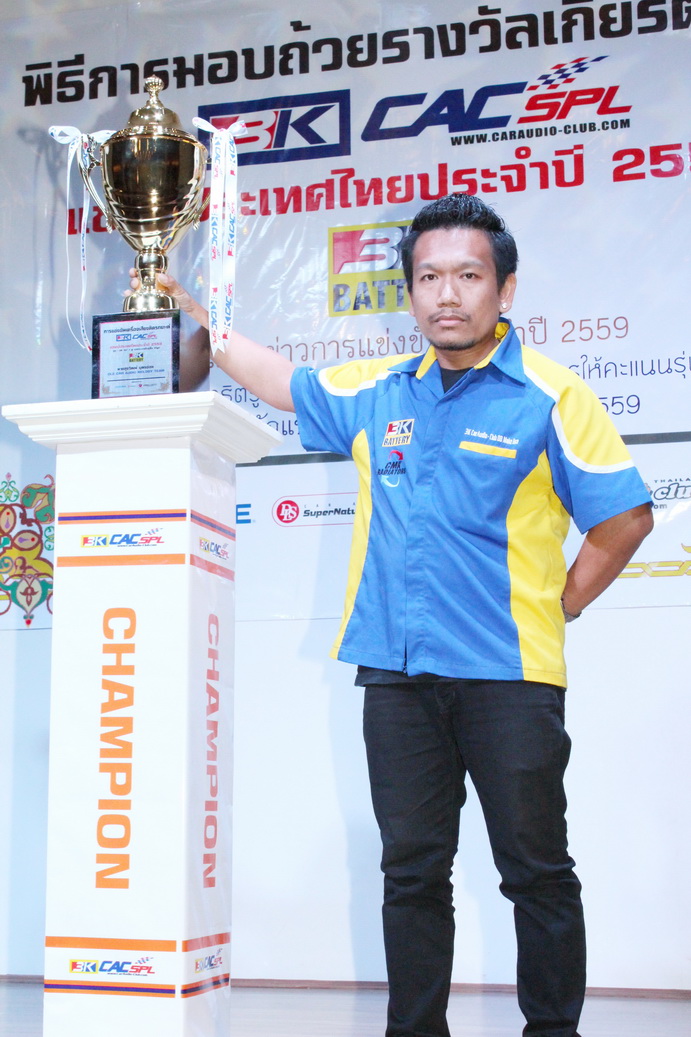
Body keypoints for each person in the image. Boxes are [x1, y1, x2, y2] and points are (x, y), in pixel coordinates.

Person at [137, 194, 653, 1037]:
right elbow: (282, 381)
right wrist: (205, 320)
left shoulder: (551, 395)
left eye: (468, 276)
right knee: (411, 872)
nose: (447, 294)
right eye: (428, 277)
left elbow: (623, 516)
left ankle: (552, 1031)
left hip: (508, 675)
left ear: (504, 289)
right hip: (397, 677)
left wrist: (560, 602)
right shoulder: (378, 391)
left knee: (535, 871)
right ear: (409, 292)